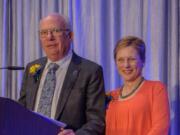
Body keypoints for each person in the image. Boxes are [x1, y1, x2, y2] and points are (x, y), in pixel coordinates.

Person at [18, 13, 105, 135]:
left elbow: (97, 121)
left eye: (55, 31)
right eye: (44, 33)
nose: (49, 37)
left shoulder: (90, 71)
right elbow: (22, 110)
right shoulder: (33, 69)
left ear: (70, 35)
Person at [106, 36, 170, 135]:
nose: (126, 65)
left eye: (131, 59)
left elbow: (160, 129)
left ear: (143, 60)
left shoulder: (156, 89)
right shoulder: (110, 96)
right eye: (121, 60)